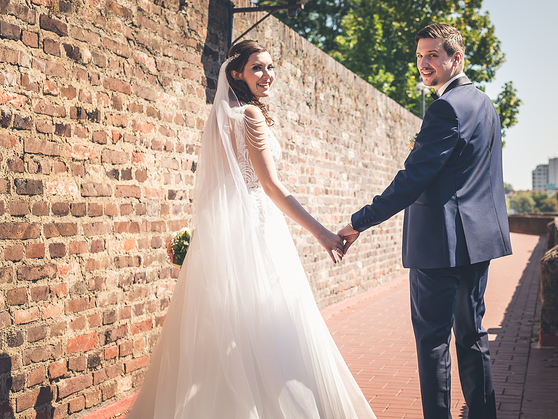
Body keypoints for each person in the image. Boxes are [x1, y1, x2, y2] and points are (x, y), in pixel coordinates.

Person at [129, 40, 376, 418]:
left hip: (231, 233)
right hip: (259, 231)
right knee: (273, 326)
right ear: (236, 74)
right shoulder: (248, 116)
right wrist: (323, 233)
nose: (267, 75)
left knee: (230, 330)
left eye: (270, 67)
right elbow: (272, 187)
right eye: (257, 68)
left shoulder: (221, 119)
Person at [338, 23, 512, 419]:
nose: (424, 63)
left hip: (439, 244)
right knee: (472, 337)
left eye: (434, 55)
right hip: (478, 241)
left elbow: (413, 180)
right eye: (420, 55)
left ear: (456, 58)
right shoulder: (485, 104)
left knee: (433, 342)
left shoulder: (445, 107)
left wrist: (359, 222)